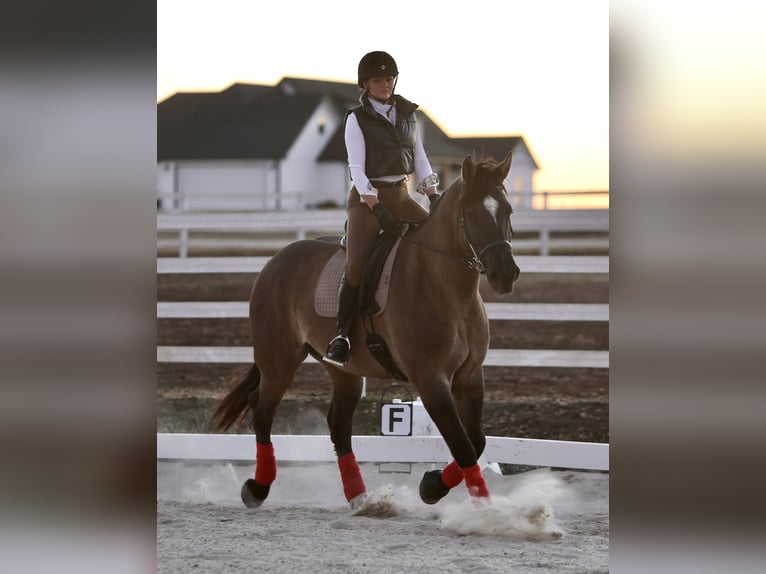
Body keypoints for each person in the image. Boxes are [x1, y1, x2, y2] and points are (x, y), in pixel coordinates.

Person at [323, 50, 440, 367]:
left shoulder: (407, 113)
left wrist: (432, 191)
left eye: (389, 79)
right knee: (358, 263)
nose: (385, 85)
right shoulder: (356, 119)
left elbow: (419, 157)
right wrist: (375, 205)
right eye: (378, 80)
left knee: (438, 243)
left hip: (401, 196)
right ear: (366, 84)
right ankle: (342, 336)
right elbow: (356, 170)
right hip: (366, 201)